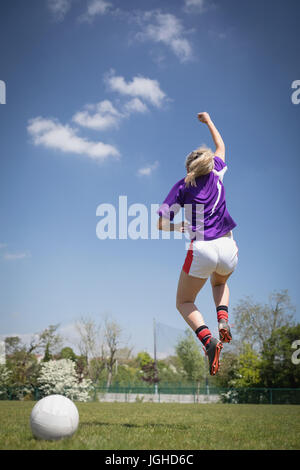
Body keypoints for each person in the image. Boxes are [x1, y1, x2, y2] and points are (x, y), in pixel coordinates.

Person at [157, 112, 238, 375]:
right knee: (221, 282)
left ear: (189, 168)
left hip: (202, 248)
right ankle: (222, 319)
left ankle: (208, 341)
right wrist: (209, 121)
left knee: (183, 301)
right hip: (228, 246)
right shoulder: (216, 171)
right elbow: (222, 147)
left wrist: (175, 226)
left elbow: (160, 222)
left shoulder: (182, 186)